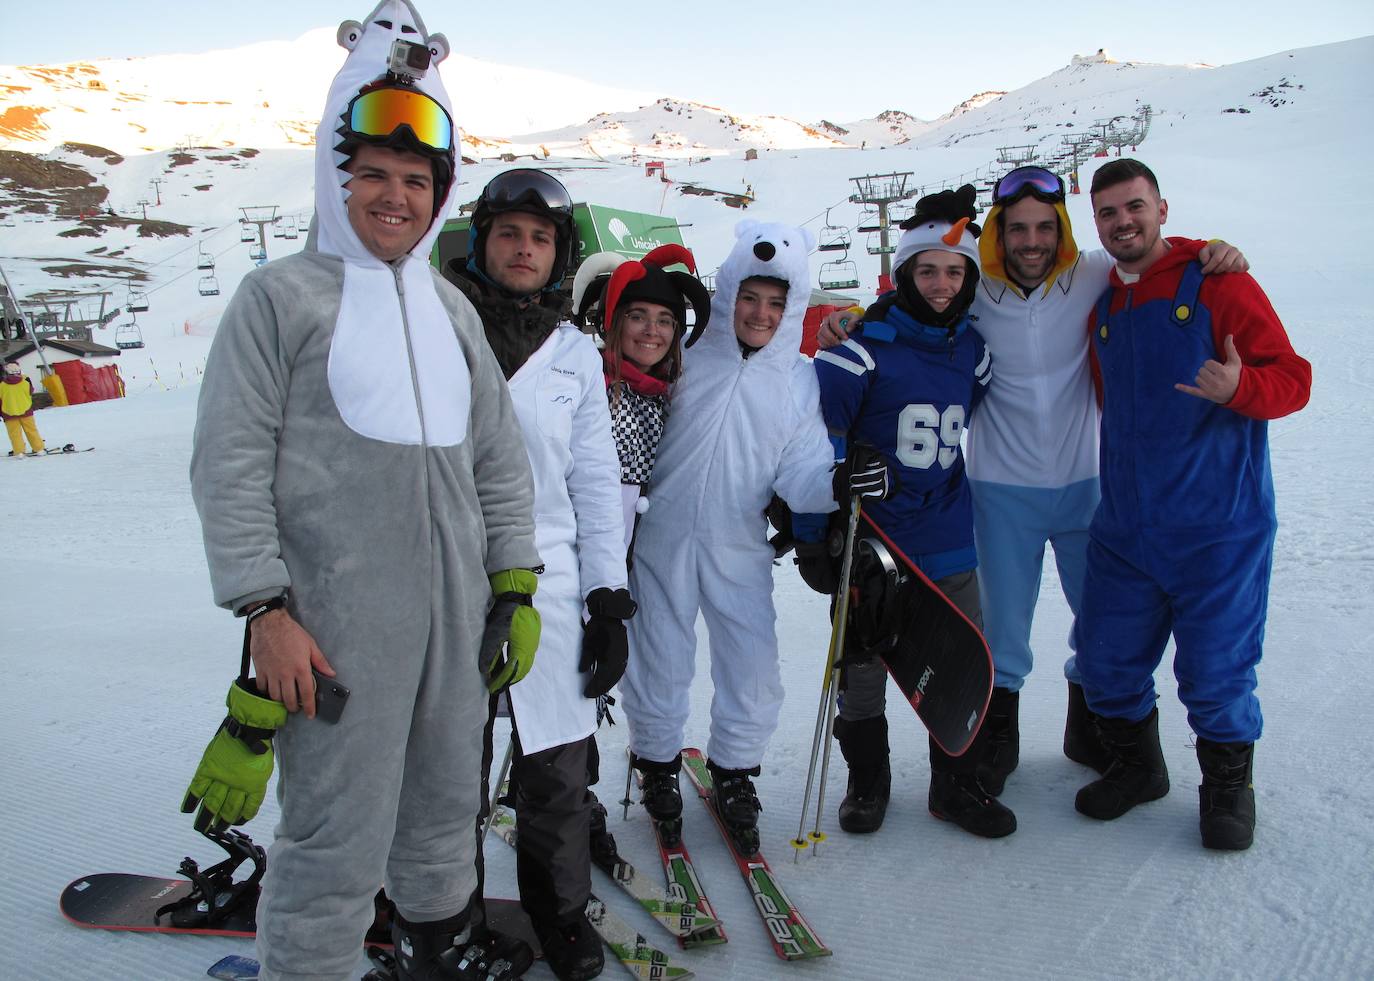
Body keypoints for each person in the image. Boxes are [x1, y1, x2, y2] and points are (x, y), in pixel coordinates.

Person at [187, 4, 543, 980]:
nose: (396, 198)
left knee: (441, 827)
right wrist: (264, 610)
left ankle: (437, 958)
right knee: (332, 846)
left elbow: (499, 462)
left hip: (456, 638)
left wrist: (512, 585)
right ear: (332, 178)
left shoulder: (450, 312)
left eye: (416, 181)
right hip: (334, 643)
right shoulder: (284, 300)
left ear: (439, 195)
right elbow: (227, 465)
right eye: (374, 176)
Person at [815, 167, 1250, 812]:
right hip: (999, 489)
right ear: (998, 233)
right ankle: (994, 747)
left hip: (1087, 483)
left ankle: (1095, 733)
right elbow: (910, 298)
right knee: (1003, 630)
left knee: (1104, 621)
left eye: (1045, 227)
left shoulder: (1094, 273)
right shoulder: (974, 285)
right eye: (1017, 228)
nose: (1031, 240)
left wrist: (1211, 251)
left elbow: (1150, 253)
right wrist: (851, 315)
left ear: (1063, 230)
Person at [1073, 159, 1311, 851]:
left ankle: (1228, 788)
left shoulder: (1219, 282)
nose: (1124, 222)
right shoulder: (1105, 308)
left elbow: (1292, 381)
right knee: (1104, 660)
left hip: (1218, 530)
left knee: (1215, 672)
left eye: (1135, 207)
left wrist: (1240, 389)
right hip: (1124, 529)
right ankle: (1138, 766)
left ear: (1163, 208)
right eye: (1109, 213)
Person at [445, 168, 632, 981]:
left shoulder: (574, 355)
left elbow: (594, 482)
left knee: (554, 768)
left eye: (541, 238)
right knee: (445, 765)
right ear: (483, 242)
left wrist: (607, 598)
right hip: (452, 575)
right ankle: (440, 910)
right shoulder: (440, 328)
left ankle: (558, 914)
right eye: (510, 233)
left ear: (559, 254)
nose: (524, 250)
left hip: (551, 581)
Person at [619, 220, 841, 856]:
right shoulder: (687, 355)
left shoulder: (797, 380)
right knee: (659, 652)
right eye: (750, 297)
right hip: (660, 535)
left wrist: (839, 483)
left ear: (793, 304)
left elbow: (802, 471)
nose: (761, 313)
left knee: (751, 660)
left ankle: (736, 771)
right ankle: (657, 762)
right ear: (729, 292)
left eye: (776, 302)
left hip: (738, 540)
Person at [800, 185, 1011, 838]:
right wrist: (820, 526)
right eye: (928, 270)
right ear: (903, 274)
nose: (942, 285)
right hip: (874, 543)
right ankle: (869, 781)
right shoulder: (860, 350)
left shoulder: (972, 352)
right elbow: (813, 445)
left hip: (947, 535)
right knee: (861, 671)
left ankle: (955, 786)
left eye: (955, 272)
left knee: (958, 669)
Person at [570, 244, 711, 551]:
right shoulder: (586, 386)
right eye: (637, 316)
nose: (652, 331)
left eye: (664, 320)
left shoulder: (668, 396)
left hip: (641, 561)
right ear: (613, 320)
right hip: (580, 557)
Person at [2, 361, 45, 456]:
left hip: (8, 413)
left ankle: (19, 452)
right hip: (26, 411)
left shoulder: (1, 385)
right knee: (31, 431)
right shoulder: (25, 382)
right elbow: (31, 391)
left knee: (15, 434)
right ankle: (39, 449)